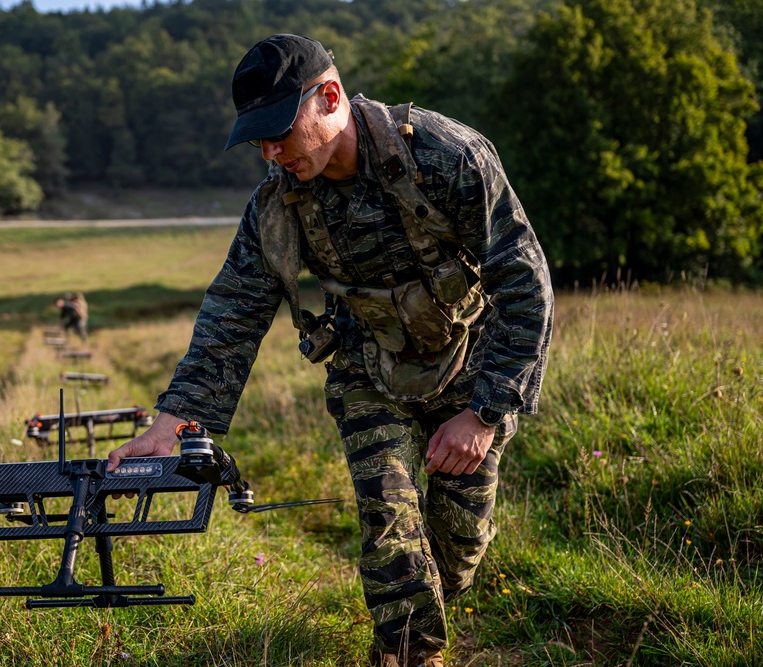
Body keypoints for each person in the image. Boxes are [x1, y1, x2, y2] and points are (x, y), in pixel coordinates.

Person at [107, 34, 553, 666]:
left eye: (279, 133)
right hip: (368, 374)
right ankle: (406, 655)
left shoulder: (447, 156)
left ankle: (432, 603)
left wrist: (484, 414)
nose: (270, 152)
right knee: (392, 538)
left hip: (470, 370)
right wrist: (173, 421)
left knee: (456, 552)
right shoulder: (277, 205)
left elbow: (524, 282)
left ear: (331, 98)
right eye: (258, 139)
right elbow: (233, 312)